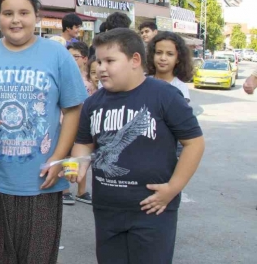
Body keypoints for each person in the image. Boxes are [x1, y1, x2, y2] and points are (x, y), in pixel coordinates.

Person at [0, 0, 88, 264]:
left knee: (37, 257)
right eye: (8, 13)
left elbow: (73, 109)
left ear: (36, 16)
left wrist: (58, 159)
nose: (16, 20)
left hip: (40, 180)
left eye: (24, 13)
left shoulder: (58, 55)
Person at [71, 28, 205, 264]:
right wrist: (79, 165)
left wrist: (173, 188)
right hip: (107, 208)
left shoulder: (166, 95)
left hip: (153, 209)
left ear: (135, 60)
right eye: (99, 60)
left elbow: (194, 143)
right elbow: (83, 143)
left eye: (110, 60)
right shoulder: (92, 104)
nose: (101, 67)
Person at [64, 41, 94, 205]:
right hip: (67, 122)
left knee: (84, 156)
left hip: (87, 123)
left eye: (75, 57)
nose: (72, 60)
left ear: (84, 58)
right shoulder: (65, 76)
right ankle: (65, 189)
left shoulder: (91, 77)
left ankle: (82, 191)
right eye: (69, 57)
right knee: (68, 156)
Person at [147, 32, 193, 103]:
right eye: (159, 53)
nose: (163, 58)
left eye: (170, 54)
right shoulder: (143, 82)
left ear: (178, 58)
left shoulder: (180, 88)